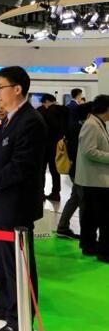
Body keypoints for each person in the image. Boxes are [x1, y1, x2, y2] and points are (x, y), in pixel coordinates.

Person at [0, 66, 46, 331]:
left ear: (17, 89)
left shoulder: (30, 121)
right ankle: (4, 306)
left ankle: (19, 318)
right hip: (1, 203)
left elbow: (21, 166)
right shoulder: (9, 120)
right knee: (2, 259)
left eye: (0, 87)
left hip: (17, 206)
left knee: (18, 264)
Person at [75, 95, 109, 262]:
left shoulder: (96, 123)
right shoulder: (92, 125)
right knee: (103, 218)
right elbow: (89, 151)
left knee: (91, 217)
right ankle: (104, 251)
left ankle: (89, 246)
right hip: (95, 180)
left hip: (95, 180)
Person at [56, 101, 92, 239]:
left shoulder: (75, 127)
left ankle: (62, 227)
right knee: (83, 200)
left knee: (75, 198)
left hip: (75, 169)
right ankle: (86, 234)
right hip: (79, 170)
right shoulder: (80, 129)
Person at [37, 93, 65, 201]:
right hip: (57, 145)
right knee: (55, 170)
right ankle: (56, 193)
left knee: (41, 171)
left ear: (46, 101)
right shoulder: (61, 111)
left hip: (43, 146)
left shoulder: (42, 111)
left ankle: (40, 193)